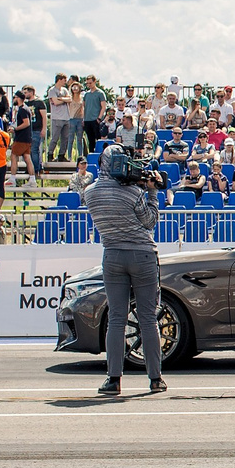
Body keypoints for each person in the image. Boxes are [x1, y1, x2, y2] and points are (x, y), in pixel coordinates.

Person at [82, 139, 166, 397]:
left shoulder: (90, 192)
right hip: (141, 255)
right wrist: (151, 192)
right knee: (147, 318)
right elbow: (150, 221)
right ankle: (155, 379)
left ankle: (113, 379)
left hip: (112, 255)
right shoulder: (133, 193)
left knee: (116, 319)